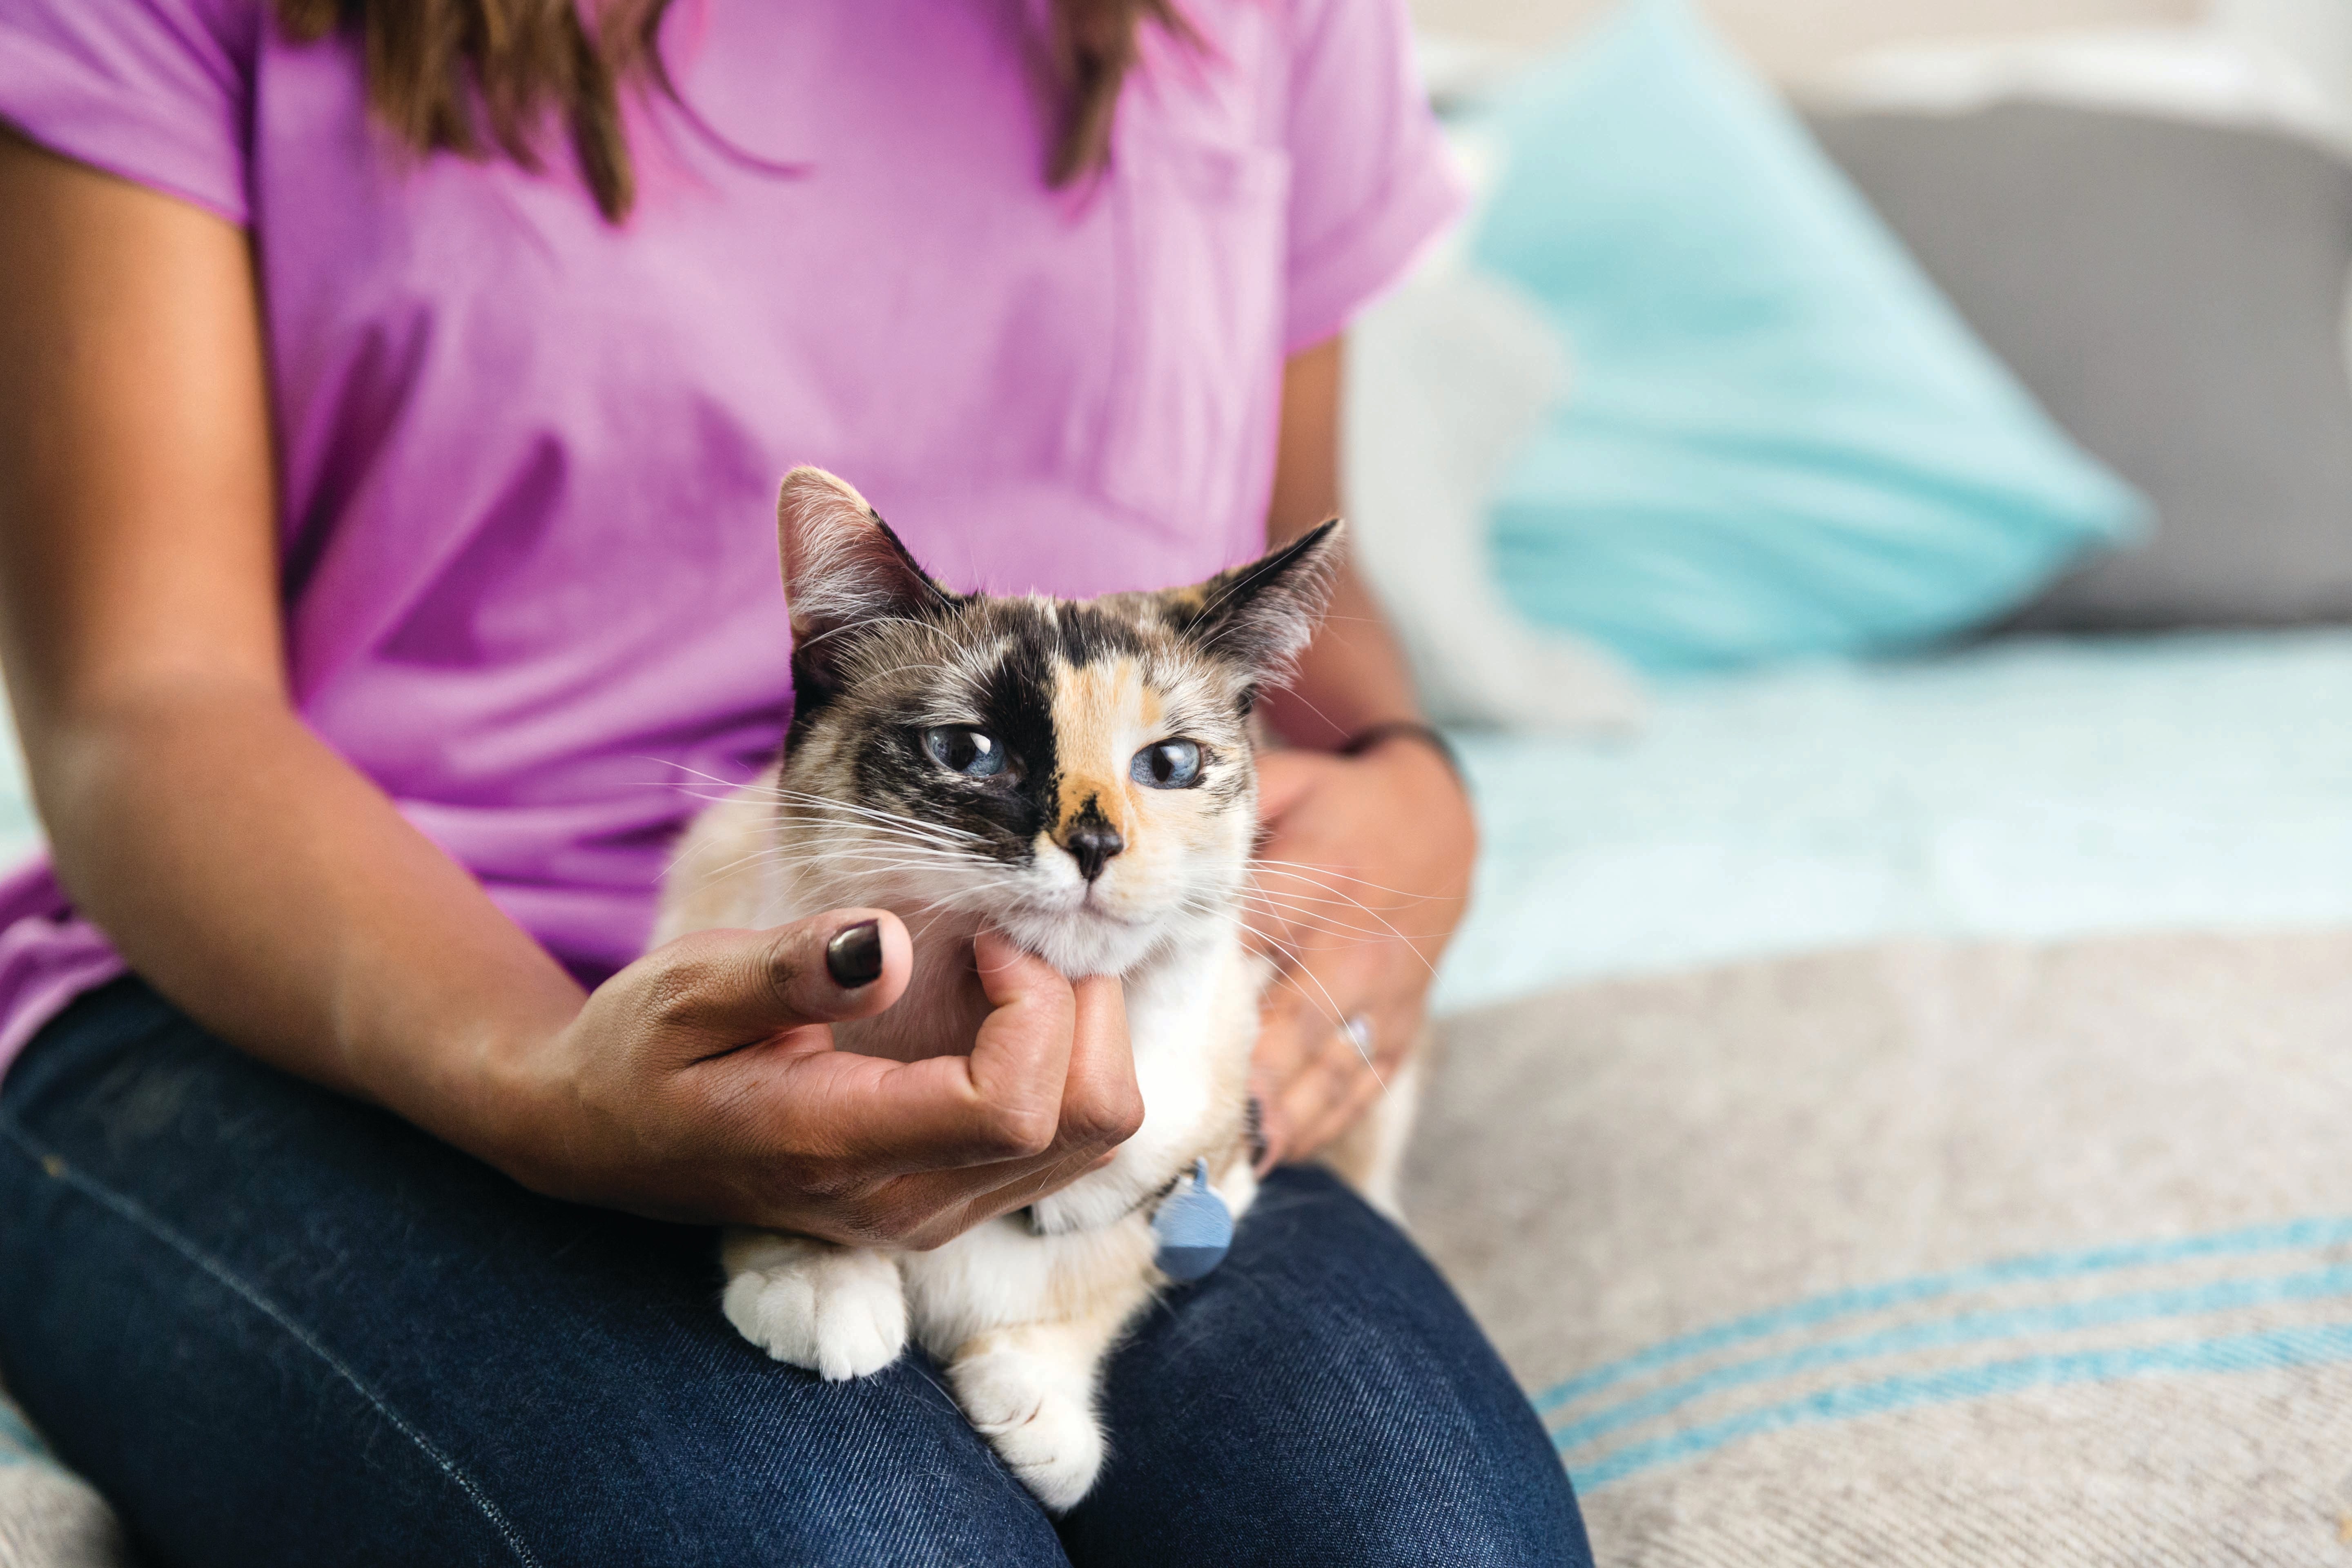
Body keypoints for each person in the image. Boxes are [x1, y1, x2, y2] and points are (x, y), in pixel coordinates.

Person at [0, 0, 1594, 1562]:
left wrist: (1419, 794)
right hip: (334, 984)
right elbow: (145, 698)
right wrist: (538, 1078)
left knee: (1431, 1538)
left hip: (1078, 1004)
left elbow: (1308, 595)